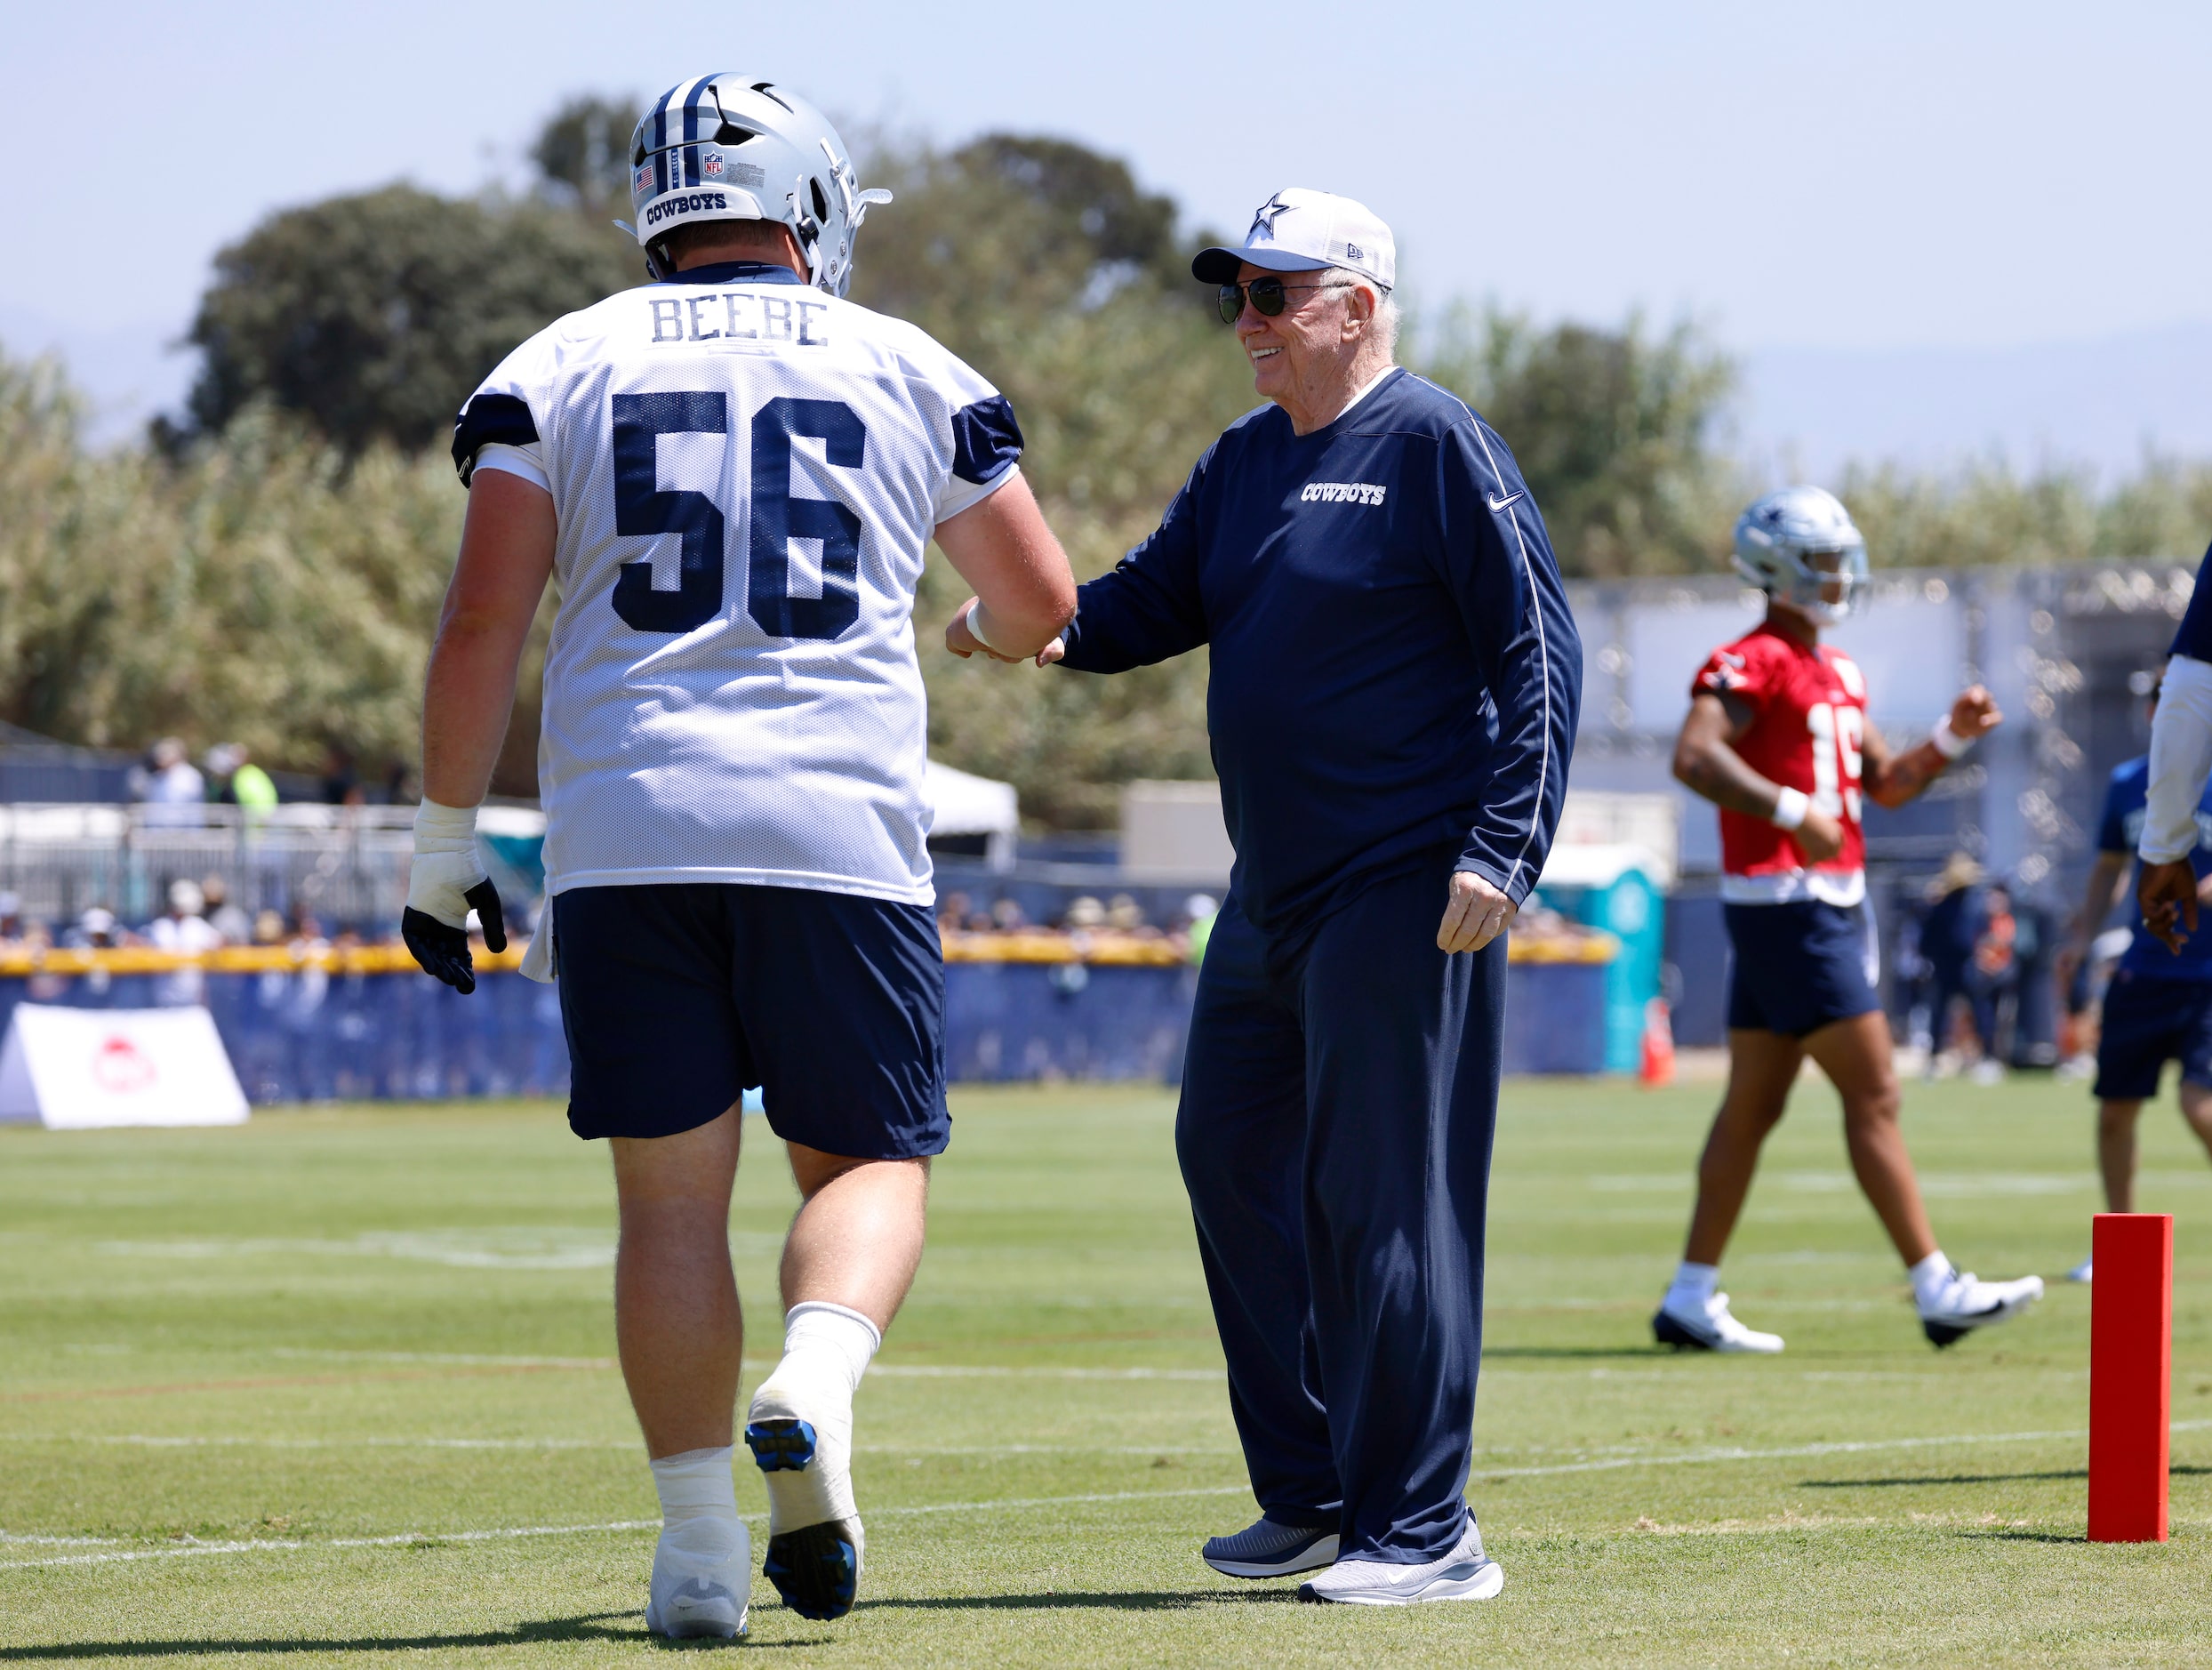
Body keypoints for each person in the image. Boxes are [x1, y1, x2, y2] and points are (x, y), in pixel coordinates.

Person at [404, 73, 1076, 1641]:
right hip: (835, 821)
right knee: (868, 1162)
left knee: (666, 1209)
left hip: (627, 828)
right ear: (813, 199)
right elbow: (1043, 599)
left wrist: (445, 841)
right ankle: (815, 1377)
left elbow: (484, 618)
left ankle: (697, 1549)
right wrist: (983, 631)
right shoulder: (907, 364)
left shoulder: (558, 360)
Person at [953, 187, 1581, 1605]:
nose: (1245, 324)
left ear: (1358, 306)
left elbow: (1539, 646)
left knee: (1384, 1200)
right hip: (1274, 893)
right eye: (1233, 295)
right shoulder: (1243, 462)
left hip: (1406, 882)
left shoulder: (1436, 442)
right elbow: (1133, 608)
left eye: (1274, 295)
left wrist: (1503, 846)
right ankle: (1310, 1495)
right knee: (1227, 1157)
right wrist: (1022, 618)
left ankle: (1425, 1530)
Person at [1654, 486, 2043, 1354]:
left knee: (1751, 1109)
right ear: (1773, 568)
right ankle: (1935, 1285)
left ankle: (1689, 1295)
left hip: (1812, 905)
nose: (1836, 577)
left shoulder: (1837, 671)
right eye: (1819, 563)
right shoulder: (1749, 659)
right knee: (1874, 1092)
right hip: (1792, 905)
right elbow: (1693, 754)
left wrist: (1949, 736)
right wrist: (1792, 811)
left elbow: (1888, 785)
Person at [2059, 680, 2212, 1281]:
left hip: (2206, 974)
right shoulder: (2129, 782)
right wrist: (2081, 935)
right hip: (2142, 972)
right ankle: (2118, 1247)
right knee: (2115, 1111)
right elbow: (2108, 868)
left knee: (2199, 1105)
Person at [148, 879, 222, 1008]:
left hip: (192, 1001)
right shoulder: (161, 926)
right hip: (164, 1000)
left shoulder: (197, 926)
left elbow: (221, 945)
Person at [134, 738, 204, 829]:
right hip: (158, 830)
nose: (160, 757)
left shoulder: (189, 775)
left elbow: (182, 801)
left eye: (165, 753)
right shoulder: (157, 777)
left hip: (183, 830)